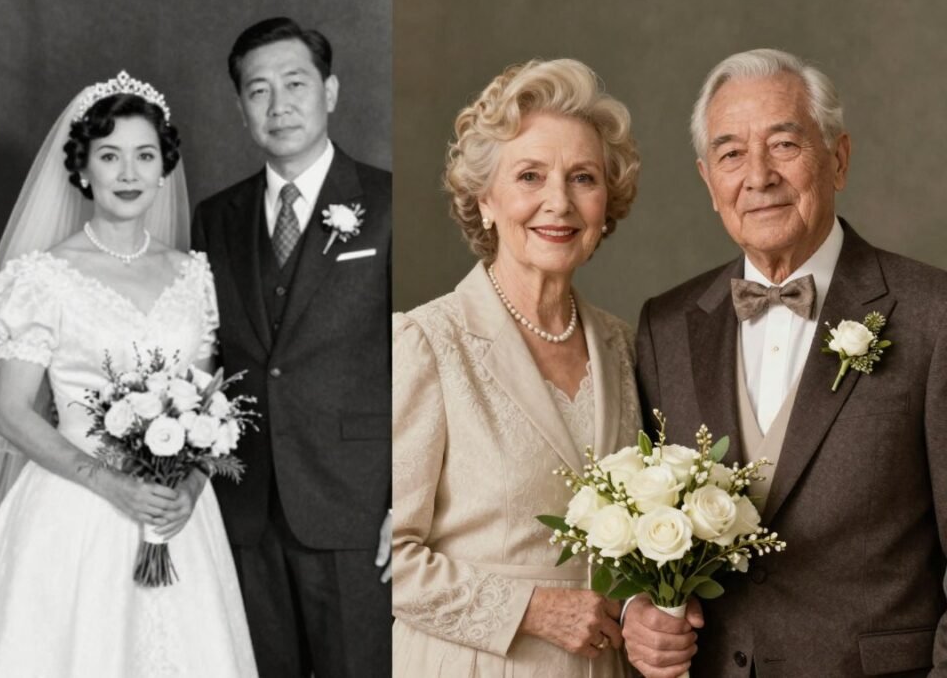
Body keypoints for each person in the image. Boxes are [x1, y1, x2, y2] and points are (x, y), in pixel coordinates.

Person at [0, 71, 257, 677]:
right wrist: (111, 484)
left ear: (163, 170)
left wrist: (187, 490)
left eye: (144, 156)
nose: (128, 174)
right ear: (82, 170)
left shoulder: (194, 276)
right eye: (110, 156)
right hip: (75, 509)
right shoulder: (43, 277)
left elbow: (210, 406)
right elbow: (13, 413)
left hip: (176, 518)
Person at [626, 48, 947, 677]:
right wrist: (641, 607)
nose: (758, 176)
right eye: (731, 154)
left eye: (783, 145)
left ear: (839, 159)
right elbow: (648, 537)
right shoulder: (665, 326)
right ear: (708, 181)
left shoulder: (934, 315)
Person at [392, 58, 642, 677]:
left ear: (606, 203)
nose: (558, 202)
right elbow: (387, 558)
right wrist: (532, 609)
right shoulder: (427, 341)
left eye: (582, 177)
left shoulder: (625, 346)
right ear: (485, 200)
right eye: (529, 175)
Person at [191, 17, 391, 677]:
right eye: (258, 90)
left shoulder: (390, 203)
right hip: (243, 510)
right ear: (242, 107)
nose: (279, 106)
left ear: (330, 92)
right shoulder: (215, 217)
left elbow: (428, 365)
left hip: (358, 509)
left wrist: (409, 503)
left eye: (295, 83)